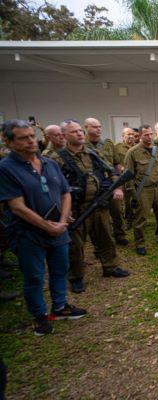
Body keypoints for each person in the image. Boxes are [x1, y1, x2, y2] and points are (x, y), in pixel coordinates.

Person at [0, 120, 86, 335]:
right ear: (9, 142)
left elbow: (65, 193)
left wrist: (63, 221)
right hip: (28, 233)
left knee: (60, 269)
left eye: (31, 136)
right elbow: (17, 207)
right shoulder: (6, 169)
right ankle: (39, 316)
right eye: (23, 138)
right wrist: (46, 226)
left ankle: (59, 306)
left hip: (58, 229)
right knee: (35, 276)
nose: (31, 141)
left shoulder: (49, 163)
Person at [51, 120, 130, 293]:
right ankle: (76, 277)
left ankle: (110, 266)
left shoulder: (92, 153)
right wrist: (63, 212)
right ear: (64, 136)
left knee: (105, 236)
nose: (79, 134)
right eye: (74, 132)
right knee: (76, 244)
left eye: (80, 131)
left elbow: (111, 171)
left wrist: (116, 186)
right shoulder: (56, 159)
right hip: (76, 209)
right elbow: (52, 188)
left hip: (98, 203)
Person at [124, 124, 158, 255]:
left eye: (151, 134)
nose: (149, 137)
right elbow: (128, 174)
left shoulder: (157, 150)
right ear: (140, 136)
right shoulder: (132, 152)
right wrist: (133, 193)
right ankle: (140, 243)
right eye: (146, 134)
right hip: (143, 190)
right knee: (141, 218)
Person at [83, 117, 128, 245]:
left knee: (117, 210)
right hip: (93, 185)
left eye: (100, 126)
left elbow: (116, 164)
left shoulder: (108, 143)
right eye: (94, 127)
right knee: (97, 216)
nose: (99, 129)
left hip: (111, 182)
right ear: (86, 128)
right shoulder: (82, 146)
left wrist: (119, 185)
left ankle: (120, 235)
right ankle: (100, 243)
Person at [115, 127, 137, 230]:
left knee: (136, 199)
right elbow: (114, 162)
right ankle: (127, 221)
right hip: (123, 179)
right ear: (123, 136)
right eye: (128, 134)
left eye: (132, 134)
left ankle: (137, 219)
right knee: (126, 201)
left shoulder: (137, 147)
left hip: (135, 178)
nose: (131, 136)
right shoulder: (117, 147)